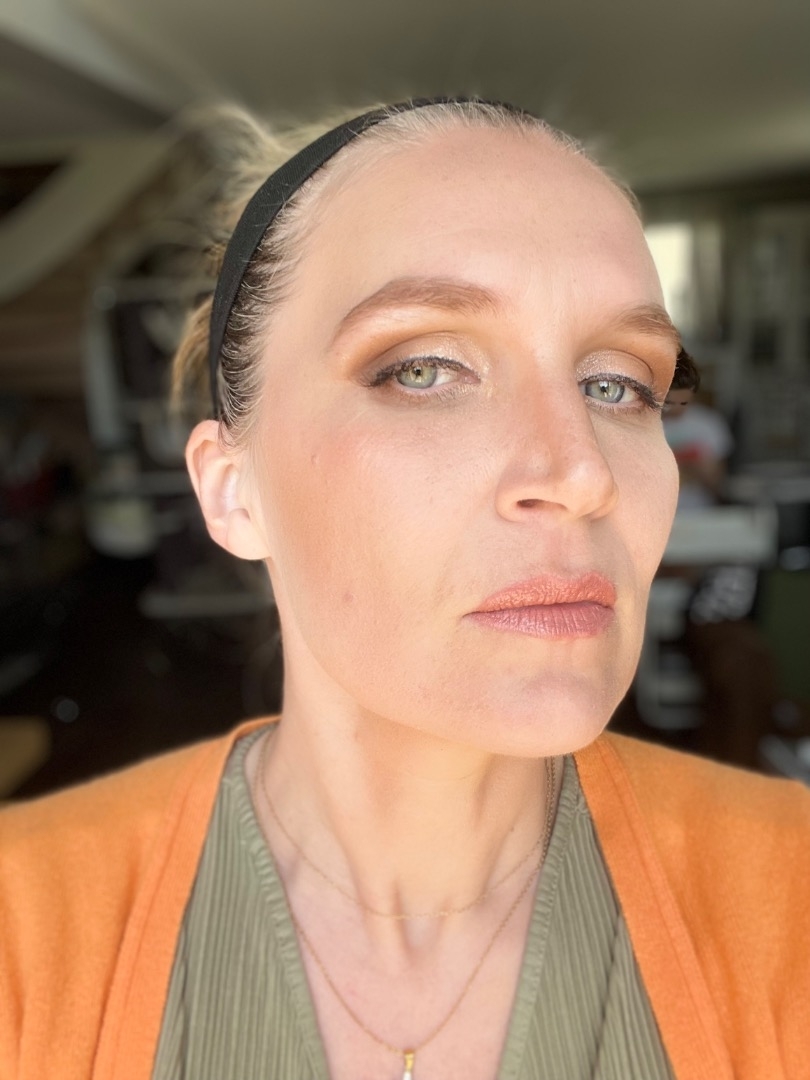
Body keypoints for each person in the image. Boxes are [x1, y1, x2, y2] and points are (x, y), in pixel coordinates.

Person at [1, 98, 809, 1080]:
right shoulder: (23, 931)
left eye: (617, 385)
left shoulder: (790, 901)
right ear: (233, 490)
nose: (581, 473)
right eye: (422, 368)